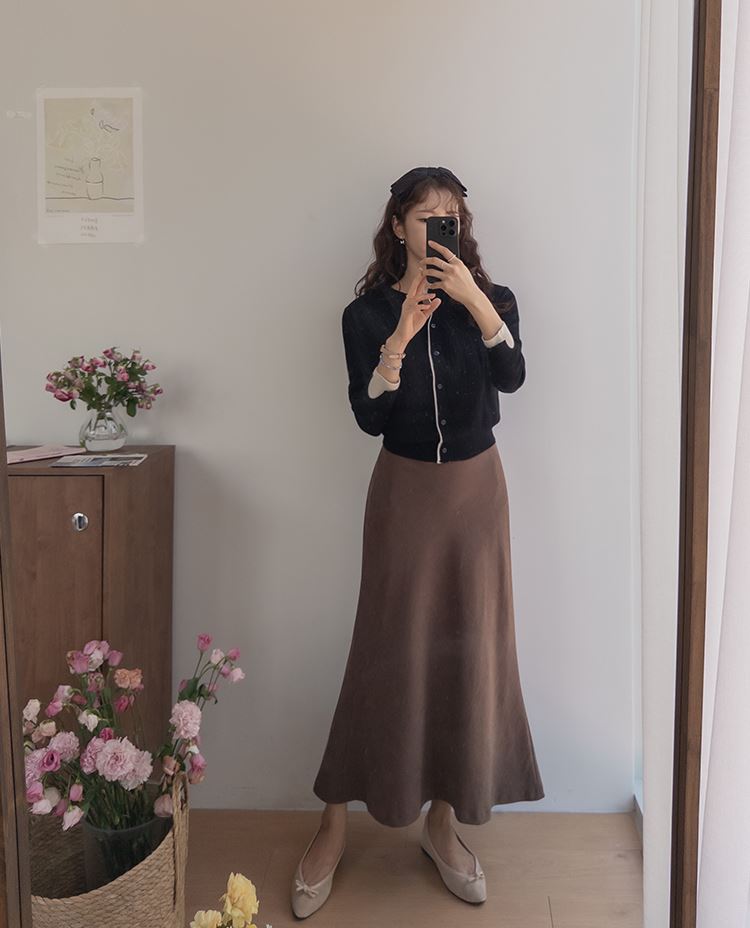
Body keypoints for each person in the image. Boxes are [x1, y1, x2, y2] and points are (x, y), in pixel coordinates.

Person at [291, 166, 544, 918]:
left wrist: (474, 301)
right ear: (399, 225)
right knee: (384, 648)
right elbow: (368, 416)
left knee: (472, 648)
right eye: (427, 217)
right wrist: (398, 337)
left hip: (476, 496)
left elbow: (514, 376)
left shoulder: (492, 300)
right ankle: (334, 822)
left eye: (451, 217)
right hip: (403, 496)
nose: (440, 228)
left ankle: (442, 823)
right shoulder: (365, 314)